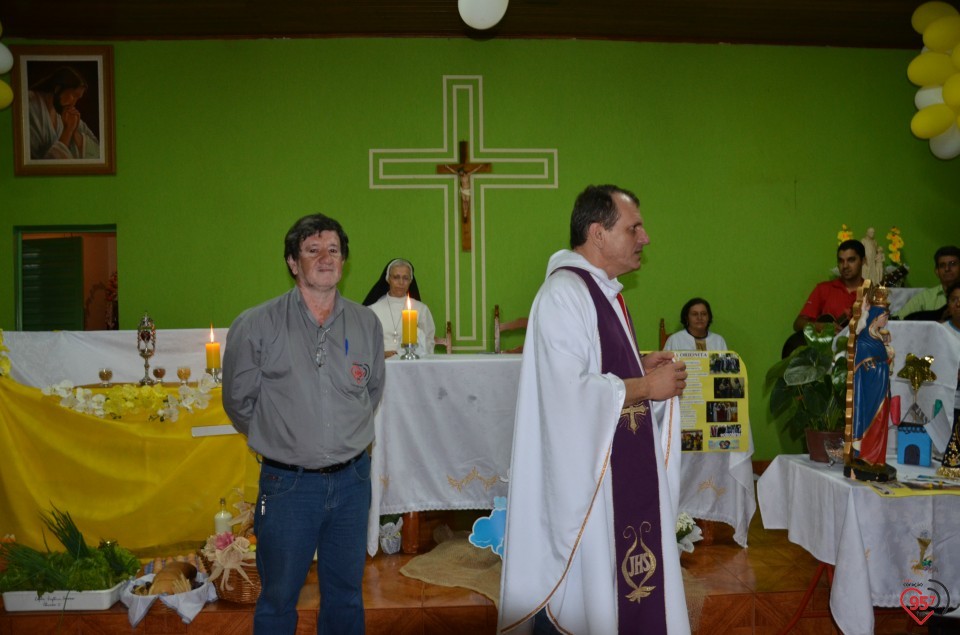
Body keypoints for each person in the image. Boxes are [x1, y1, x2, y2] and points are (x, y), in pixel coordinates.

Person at [498, 185, 690, 634]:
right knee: (593, 594)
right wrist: (647, 385)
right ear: (598, 233)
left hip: (613, 474)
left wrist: (637, 364)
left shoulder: (605, 293)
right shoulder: (564, 293)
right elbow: (566, 394)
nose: (644, 238)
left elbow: (594, 367)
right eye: (633, 228)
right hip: (589, 487)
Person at [222, 213, 386, 635]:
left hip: (352, 483)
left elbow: (371, 392)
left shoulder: (366, 323)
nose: (325, 257)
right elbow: (239, 403)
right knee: (278, 598)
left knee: (347, 595)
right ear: (293, 263)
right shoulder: (257, 324)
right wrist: (289, 440)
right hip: (288, 488)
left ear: (344, 261)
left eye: (333, 250)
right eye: (312, 250)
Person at [851, 290, 894, 467]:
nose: (886, 321)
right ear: (875, 317)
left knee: (882, 423)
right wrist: (884, 362)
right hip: (872, 392)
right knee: (873, 422)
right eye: (884, 317)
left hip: (882, 388)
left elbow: (882, 362)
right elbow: (866, 366)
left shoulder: (878, 338)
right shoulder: (863, 340)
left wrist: (888, 355)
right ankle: (867, 456)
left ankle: (877, 459)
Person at [362, 258, 436, 357]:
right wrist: (381, 354)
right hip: (380, 365)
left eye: (405, 278)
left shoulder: (421, 309)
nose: (401, 282)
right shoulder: (373, 309)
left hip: (411, 365)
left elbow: (428, 342)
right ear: (388, 279)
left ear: (411, 281)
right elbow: (364, 343)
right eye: (396, 277)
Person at [27, 66, 101, 160]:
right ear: (58, 89)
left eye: (78, 98)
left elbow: (97, 151)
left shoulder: (68, 113)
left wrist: (74, 133)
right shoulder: (30, 103)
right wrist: (68, 131)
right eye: (73, 95)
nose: (74, 103)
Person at [793, 239, 866, 332]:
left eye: (851, 260)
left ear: (863, 261)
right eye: (841, 261)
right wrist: (819, 327)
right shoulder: (824, 289)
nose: (845, 266)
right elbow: (798, 323)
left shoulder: (872, 293)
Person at [895, 246, 960, 320]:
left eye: (952, 264)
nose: (947, 269)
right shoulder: (925, 297)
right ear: (936, 271)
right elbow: (898, 319)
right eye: (942, 265)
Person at [663, 297, 728, 351]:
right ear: (686, 318)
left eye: (703, 314)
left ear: (709, 317)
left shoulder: (718, 340)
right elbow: (665, 365)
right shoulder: (675, 340)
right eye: (694, 314)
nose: (699, 317)